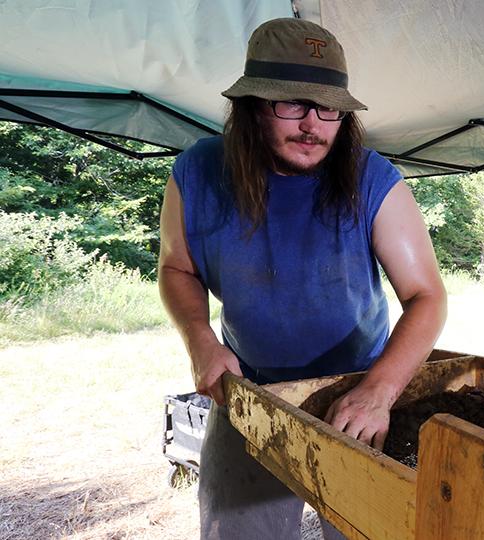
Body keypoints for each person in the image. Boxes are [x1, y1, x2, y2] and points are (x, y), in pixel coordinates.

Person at [158, 18, 446, 540]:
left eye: (328, 107)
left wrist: (379, 391)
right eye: (290, 104)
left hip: (356, 390)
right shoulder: (197, 173)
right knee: (238, 530)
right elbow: (176, 268)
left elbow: (426, 297)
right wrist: (200, 340)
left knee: (367, 529)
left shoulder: (372, 178)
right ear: (251, 107)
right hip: (247, 393)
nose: (313, 124)